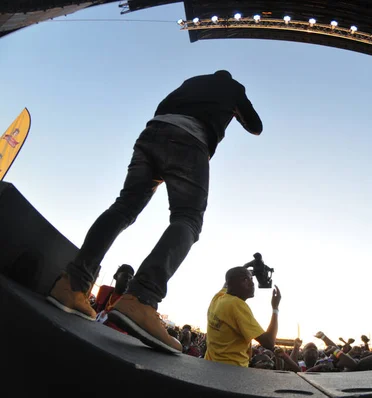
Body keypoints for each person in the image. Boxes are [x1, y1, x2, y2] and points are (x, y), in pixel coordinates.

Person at [46, 70, 263, 353]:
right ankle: (142, 298)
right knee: (188, 219)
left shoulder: (191, 83)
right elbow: (256, 126)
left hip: (152, 133)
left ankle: (72, 284)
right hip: (189, 140)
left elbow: (163, 105)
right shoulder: (233, 88)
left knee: (124, 206)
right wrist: (235, 109)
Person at [205, 267, 281, 367]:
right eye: (245, 280)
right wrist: (275, 308)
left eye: (251, 279)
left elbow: (227, 281)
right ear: (232, 284)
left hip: (211, 364)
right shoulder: (237, 305)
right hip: (231, 371)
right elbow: (269, 342)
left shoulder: (218, 297)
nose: (252, 283)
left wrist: (249, 271)